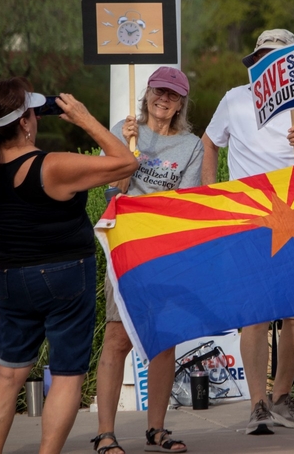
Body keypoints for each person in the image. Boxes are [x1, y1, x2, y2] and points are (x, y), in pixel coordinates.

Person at [0, 78, 138, 454]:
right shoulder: (52, 166)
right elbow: (126, 162)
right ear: (26, 123)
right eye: (33, 113)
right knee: (65, 375)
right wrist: (85, 119)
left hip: (9, 277)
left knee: (8, 372)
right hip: (63, 273)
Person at [201, 29, 294, 434]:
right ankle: (257, 404)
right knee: (255, 316)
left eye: (278, 57)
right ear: (254, 61)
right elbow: (209, 143)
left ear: (290, 63)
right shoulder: (235, 98)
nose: (269, 63)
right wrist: (213, 195)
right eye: (264, 57)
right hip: (248, 216)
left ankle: (281, 396)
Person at [92, 67, 203, 454]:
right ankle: (105, 433)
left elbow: (186, 204)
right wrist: (126, 153)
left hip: (165, 250)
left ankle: (156, 429)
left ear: (180, 104)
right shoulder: (124, 128)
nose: (164, 100)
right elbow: (115, 192)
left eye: (172, 95)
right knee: (117, 337)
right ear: (147, 94)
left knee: (164, 340)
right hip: (125, 245)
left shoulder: (191, 145)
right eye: (159, 91)